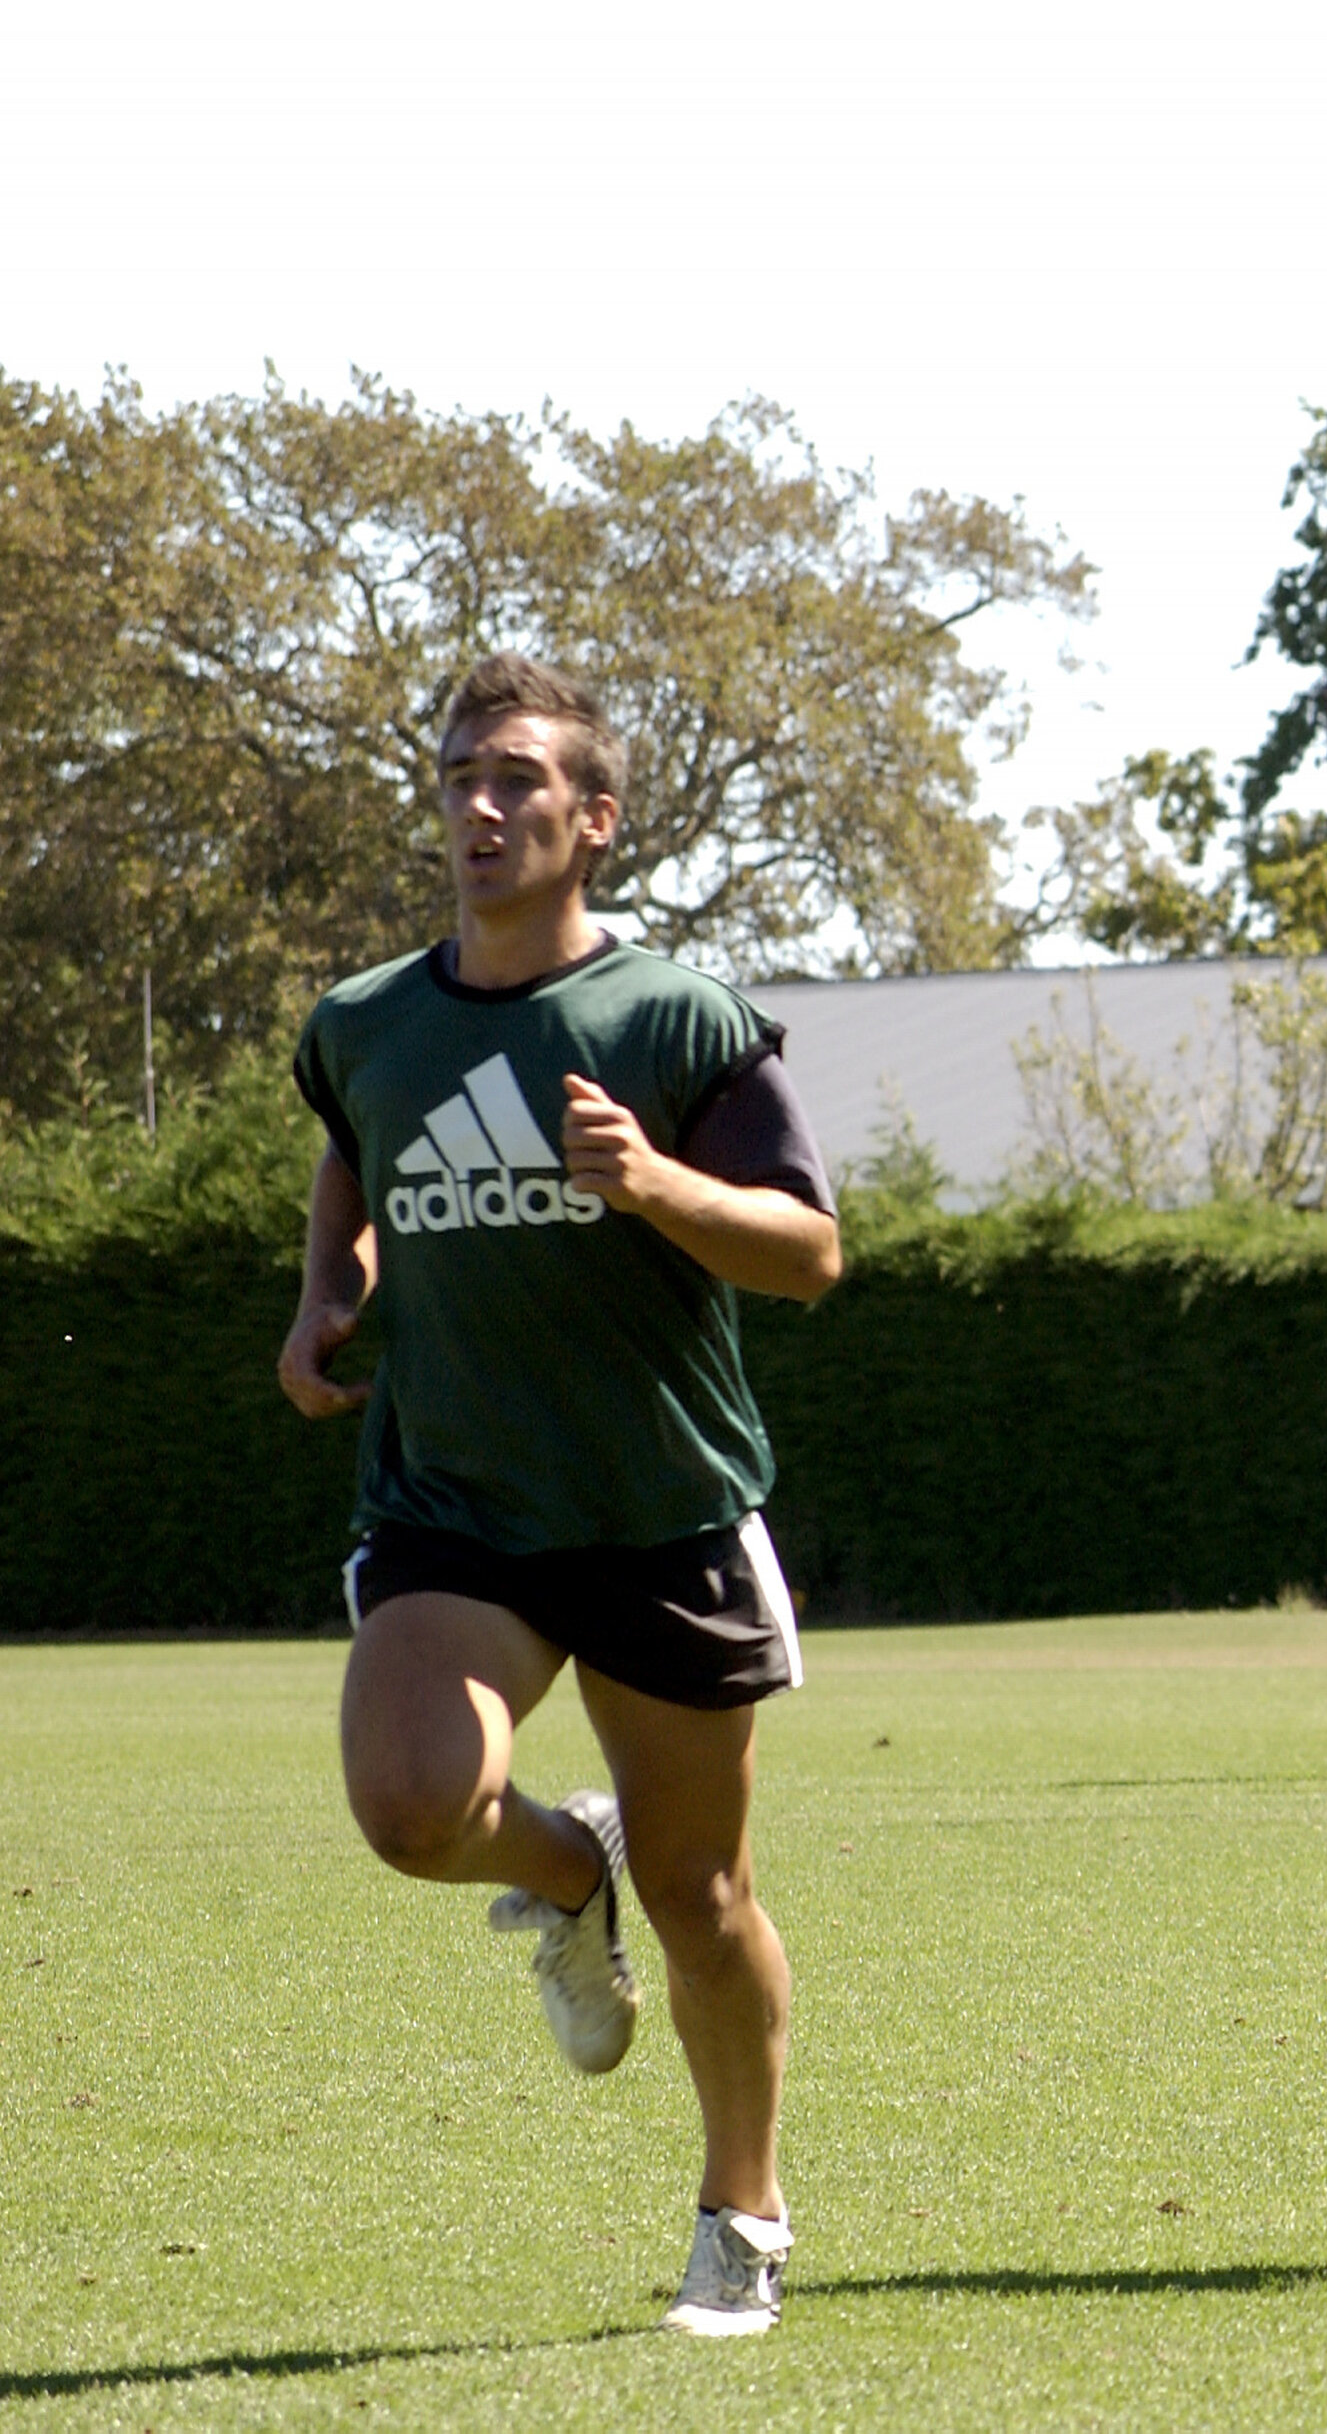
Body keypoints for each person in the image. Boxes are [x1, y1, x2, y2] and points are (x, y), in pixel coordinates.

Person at [279, 655, 840, 2335]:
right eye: (459, 773)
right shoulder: (367, 1022)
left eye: (518, 779)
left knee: (704, 1896)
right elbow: (350, 1159)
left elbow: (811, 1250)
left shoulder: (672, 1019)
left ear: (592, 820)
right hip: (452, 1507)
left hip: (660, 1510)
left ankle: (741, 2212)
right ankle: (563, 1871)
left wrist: (657, 1179)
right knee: (410, 1807)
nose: (479, 802)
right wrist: (326, 1296)